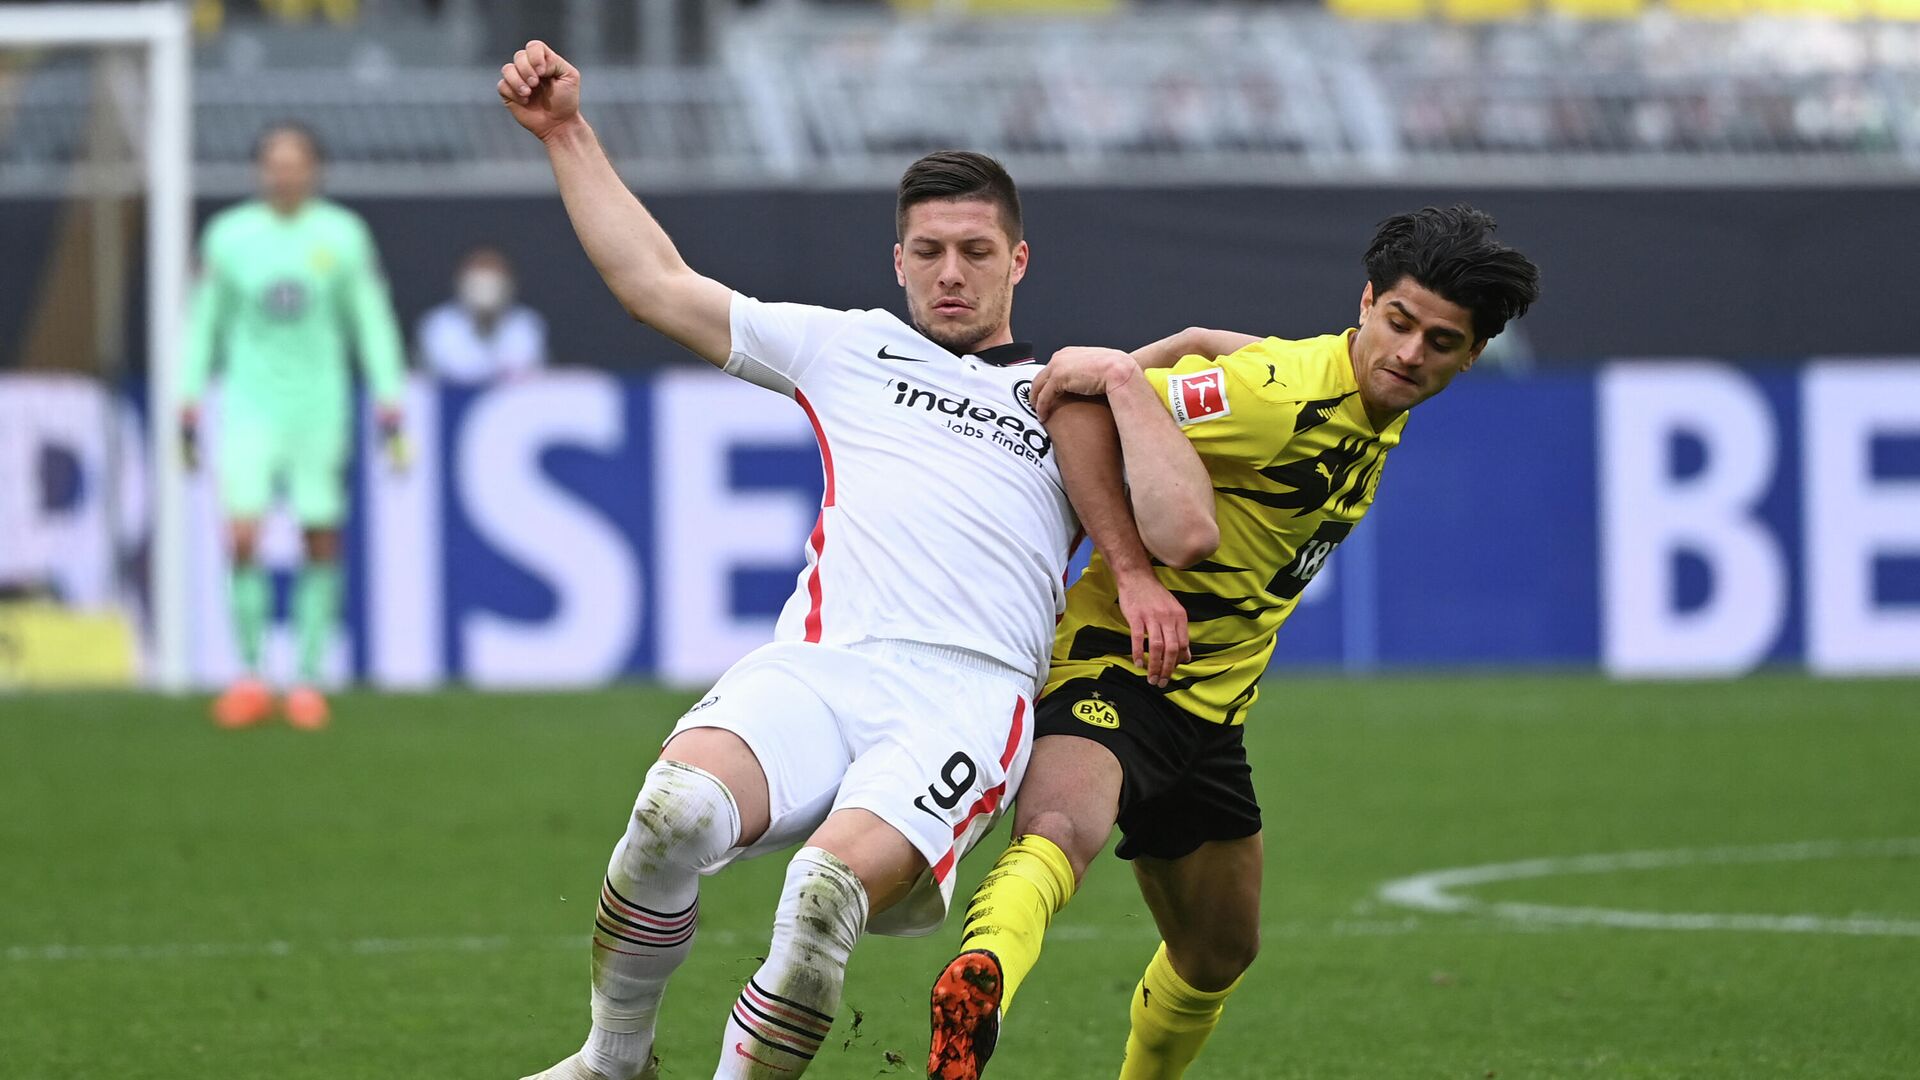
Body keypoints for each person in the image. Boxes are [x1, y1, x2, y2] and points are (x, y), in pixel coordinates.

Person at [495, 41, 1216, 1080]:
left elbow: (1190, 502)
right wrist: (566, 131)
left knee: (822, 899)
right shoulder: (848, 347)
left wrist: (1138, 381)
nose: (950, 272)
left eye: (975, 250)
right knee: (669, 817)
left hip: (966, 699)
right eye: (928, 251)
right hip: (823, 662)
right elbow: (656, 284)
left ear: (1019, 262)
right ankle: (615, 1061)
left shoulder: (1067, 397)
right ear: (898, 263)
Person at [927, 205, 1542, 1080]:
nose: (1409, 353)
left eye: (1440, 342)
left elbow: (1218, 358)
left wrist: (1187, 340)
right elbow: (1077, 405)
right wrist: (1134, 573)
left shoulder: (1358, 394)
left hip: (1211, 708)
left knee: (1218, 950)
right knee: (1064, 826)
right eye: (1398, 323)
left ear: (1469, 354)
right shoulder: (1276, 399)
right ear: (1366, 301)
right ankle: (981, 971)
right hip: (1119, 657)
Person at [179, 121, 407, 731]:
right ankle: (251, 676)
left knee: (319, 537)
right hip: (251, 407)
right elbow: (205, 321)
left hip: (319, 405)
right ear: (261, 170)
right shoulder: (230, 236)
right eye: (275, 163)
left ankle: (306, 680)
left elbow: (370, 317)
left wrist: (388, 390)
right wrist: (188, 393)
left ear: (314, 169)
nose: (285, 173)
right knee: (245, 534)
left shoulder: (341, 236)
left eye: (295, 162)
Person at [416, 245, 550, 384]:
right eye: (477, 282)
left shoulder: (526, 324)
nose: (485, 290)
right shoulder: (438, 324)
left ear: (509, 284)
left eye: (493, 282)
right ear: (461, 283)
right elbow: (453, 370)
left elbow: (524, 370)